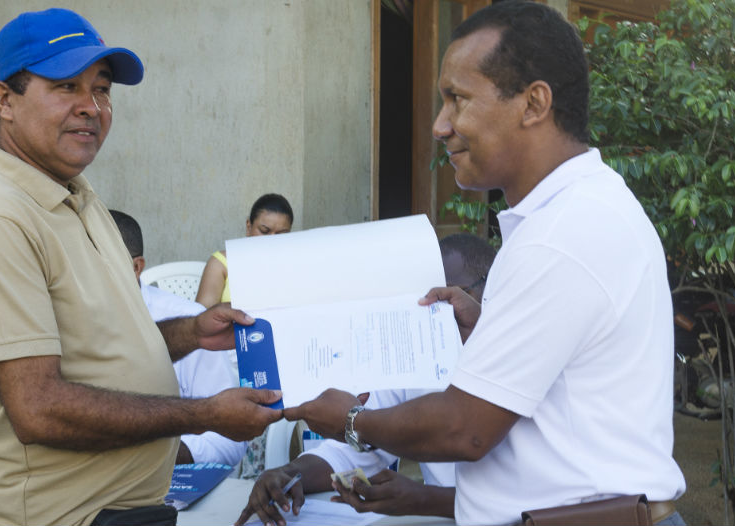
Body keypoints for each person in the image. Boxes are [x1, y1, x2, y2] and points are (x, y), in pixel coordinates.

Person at [283, 2, 686, 525]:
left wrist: (353, 420)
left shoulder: (562, 233)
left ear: (533, 103)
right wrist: (489, 329)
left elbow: (464, 430)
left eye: (457, 99)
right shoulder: (577, 211)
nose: (439, 125)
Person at [0, 9, 281, 526]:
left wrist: (191, 332)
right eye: (66, 86)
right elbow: (38, 408)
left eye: (102, 89)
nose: (91, 108)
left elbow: (103, 345)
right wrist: (204, 415)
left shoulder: (76, 196)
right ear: (5, 100)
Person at [236, 233, 496, 526]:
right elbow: (354, 448)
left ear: (490, 288)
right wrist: (288, 473)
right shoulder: (422, 358)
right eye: (429, 298)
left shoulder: (522, 360)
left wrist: (423, 499)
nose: (437, 308)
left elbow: (530, 496)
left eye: (450, 295)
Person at [109, 209, 247, 466]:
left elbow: (229, 438)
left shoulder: (190, 322)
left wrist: (153, 457)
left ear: (136, 267)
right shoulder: (56, 318)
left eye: (94, 262)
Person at [195, 193, 294, 307]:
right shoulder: (221, 263)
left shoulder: (292, 265)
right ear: (249, 226)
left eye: (281, 234)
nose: (271, 240)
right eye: (264, 231)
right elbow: (203, 319)